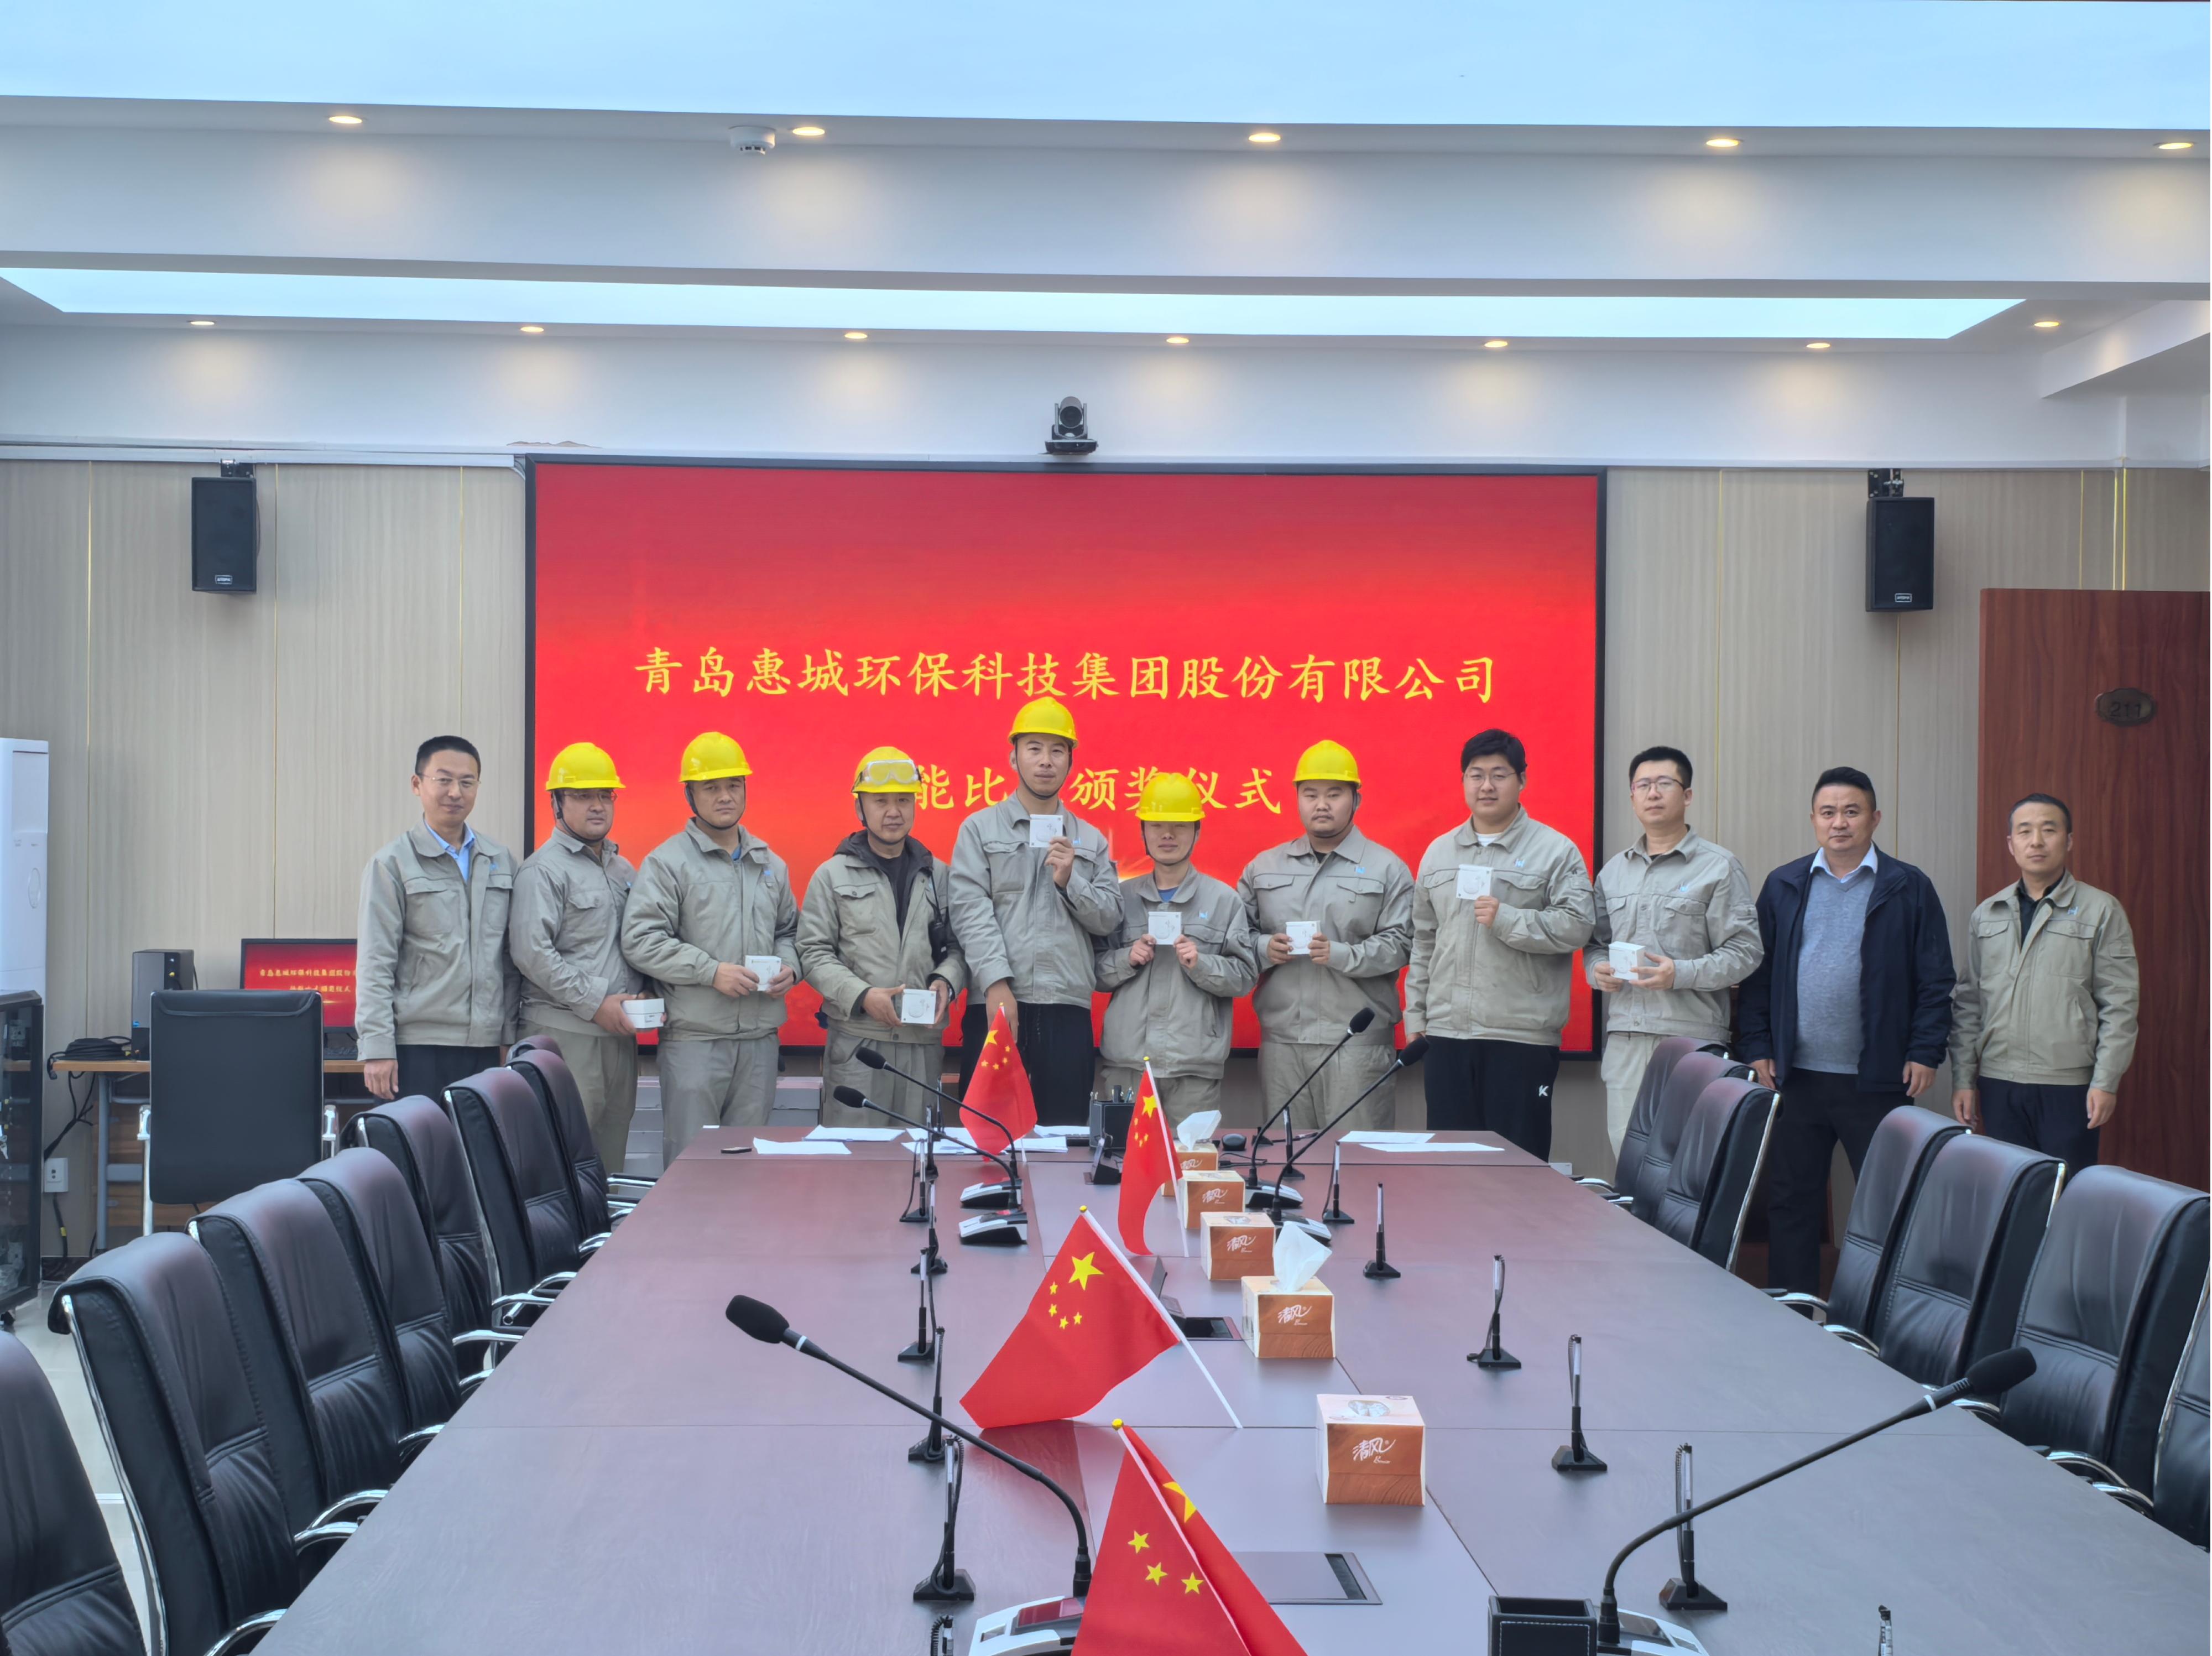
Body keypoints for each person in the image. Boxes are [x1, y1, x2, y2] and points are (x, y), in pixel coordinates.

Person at [1738, 765, 1954, 1296]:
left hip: (1878, 1077)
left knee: (1886, 1204)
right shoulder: (1784, 884)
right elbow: (1758, 977)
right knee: (1792, 1199)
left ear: (1875, 818)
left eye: (1852, 812)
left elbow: (1935, 979)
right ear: (1813, 819)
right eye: (1829, 812)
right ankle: (1792, 1311)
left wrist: (1925, 1051)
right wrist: (1758, 1046)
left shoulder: (1908, 886)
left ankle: (1877, 1315)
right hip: (1796, 1075)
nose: (1840, 823)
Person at [1405, 729, 1594, 1160]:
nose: (1486, 786)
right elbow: (1424, 941)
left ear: (1522, 780)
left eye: (1499, 775)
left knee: (1517, 1169)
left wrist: (1507, 919)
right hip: (1446, 1034)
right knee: (1450, 1168)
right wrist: (1416, 1014)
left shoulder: (1555, 851)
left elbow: (1578, 926)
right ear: (1463, 781)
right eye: (1476, 775)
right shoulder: (1438, 853)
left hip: (1520, 1038)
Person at [620, 732, 800, 1158]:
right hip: (695, 1043)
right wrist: (710, 971)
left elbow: (790, 931)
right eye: (711, 788)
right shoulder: (668, 863)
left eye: (734, 785)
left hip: (759, 1042)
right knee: (691, 1165)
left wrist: (791, 966)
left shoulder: (769, 864)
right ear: (690, 795)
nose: (725, 797)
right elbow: (641, 939)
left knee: (747, 1166)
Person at [947, 696, 1122, 1125]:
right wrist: (996, 983)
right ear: (1014, 757)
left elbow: (1109, 918)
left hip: (1067, 1008)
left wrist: (1070, 880)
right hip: (997, 1004)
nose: (1046, 761)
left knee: (1064, 1140)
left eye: (1057, 750)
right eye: (1035, 749)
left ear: (1071, 762)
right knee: (989, 1137)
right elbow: (970, 910)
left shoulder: (1091, 840)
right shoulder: (979, 829)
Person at [1587, 745, 1762, 1159]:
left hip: (1692, 1040)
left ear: (1687, 795)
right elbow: (1596, 944)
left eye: (1664, 783)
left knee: (1688, 1166)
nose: (1653, 793)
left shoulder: (1718, 867)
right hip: (1628, 1039)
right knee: (1629, 1162)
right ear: (1632, 797)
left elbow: (1746, 951)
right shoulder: (1614, 872)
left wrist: (1680, 973)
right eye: (1643, 785)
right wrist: (1597, 969)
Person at [1949, 793, 2138, 1169]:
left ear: (2069, 841)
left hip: (2068, 1085)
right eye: (2025, 831)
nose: (2036, 841)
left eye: (2049, 830)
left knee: (2065, 1191)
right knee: (2010, 1191)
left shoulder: (2101, 909)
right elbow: (1969, 1003)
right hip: (1998, 1081)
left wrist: (2105, 1081)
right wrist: (1963, 1080)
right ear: (2011, 844)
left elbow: (2120, 1004)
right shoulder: (1987, 914)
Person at [1237, 740, 1413, 1135]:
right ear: (1297, 800)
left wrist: (1341, 954)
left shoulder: (1387, 868)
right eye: (1311, 794)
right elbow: (1235, 937)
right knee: (1287, 1159)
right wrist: (1264, 948)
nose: (1322, 805)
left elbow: (1402, 944)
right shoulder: (1264, 867)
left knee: (1356, 1158)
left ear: (1356, 800)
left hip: (1356, 1044)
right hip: (1284, 1045)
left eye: (1334, 794)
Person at [797, 746, 966, 1130]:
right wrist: (862, 995)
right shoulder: (832, 875)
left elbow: (959, 947)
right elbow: (812, 951)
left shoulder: (939, 876)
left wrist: (947, 980)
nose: (894, 811)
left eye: (903, 800)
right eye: (881, 801)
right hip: (858, 1046)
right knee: (855, 1157)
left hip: (921, 1046)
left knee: (916, 1155)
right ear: (860, 808)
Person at [507, 741, 649, 1173]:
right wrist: (595, 1002)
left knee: (609, 1159)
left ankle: (603, 1224)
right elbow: (532, 953)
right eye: (583, 796)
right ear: (556, 803)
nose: (597, 806)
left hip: (618, 1038)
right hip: (564, 1037)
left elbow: (637, 944)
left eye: (606, 795)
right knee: (561, 1162)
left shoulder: (623, 871)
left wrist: (644, 993)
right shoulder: (542, 871)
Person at [356, 735, 518, 1102]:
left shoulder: (500, 860)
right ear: (417, 784)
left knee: (479, 1140)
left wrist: (508, 1035)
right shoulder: (392, 864)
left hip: (486, 1045)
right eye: (443, 780)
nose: (455, 792)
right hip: (417, 1045)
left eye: (467, 782)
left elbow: (509, 960)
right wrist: (377, 1047)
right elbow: (375, 962)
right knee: (419, 1140)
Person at [1095, 772, 1259, 1128]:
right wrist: (1127, 958)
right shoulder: (1120, 899)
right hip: (1128, 1067)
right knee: (1122, 1159)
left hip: (1193, 1072)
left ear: (1197, 832)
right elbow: (1093, 972)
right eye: (1157, 825)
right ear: (1143, 832)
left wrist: (1201, 963)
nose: (1167, 835)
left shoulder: (1224, 901)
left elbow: (1245, 978)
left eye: (1180, 826)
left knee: (1192, 1160)